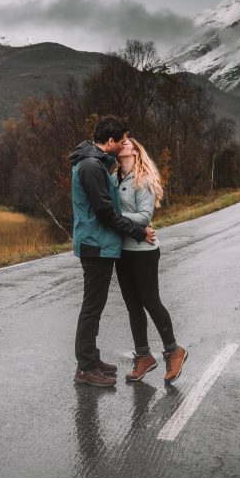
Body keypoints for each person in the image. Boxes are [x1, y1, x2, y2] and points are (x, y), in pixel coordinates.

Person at [69, 116, 156, 387]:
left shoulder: (95, 163)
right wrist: (139, 232)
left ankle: (92, 360)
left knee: (95, 305)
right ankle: (85, 368)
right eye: (120, 141)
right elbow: (106, 212)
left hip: (100, 244)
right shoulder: (91, 166)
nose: (122, 146)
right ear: (109, 141)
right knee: (92, 307)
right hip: (95, 245)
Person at [114, 137, 188, 383]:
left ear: (136, 151)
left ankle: (174, 351)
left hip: (143, 251)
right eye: (120, 142)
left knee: (150, 301)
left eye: (127, 142)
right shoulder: (114, 178)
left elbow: (145, 217)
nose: (122, 144)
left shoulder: (142, 179)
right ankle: (144, 356)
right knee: (132, 305)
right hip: (122, 251)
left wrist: (112, 216)